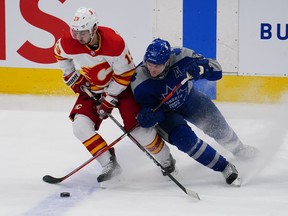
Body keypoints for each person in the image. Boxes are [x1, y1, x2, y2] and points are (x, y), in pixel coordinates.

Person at [53, 7, 175, 183]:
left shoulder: (114, 42)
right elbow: (59, 54)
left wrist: (109, 99)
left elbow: (125, 75)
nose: (78, 37)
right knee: (80, 127)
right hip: (94, 88)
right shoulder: (68, 41)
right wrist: (70, 75)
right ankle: (108, 162)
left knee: (138, 131)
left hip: (123, 89)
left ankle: (165, 159)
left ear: (94, 28)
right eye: (75, 32)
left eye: (83, 33)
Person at [131, 38, 259, 185]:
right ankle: (224, 167)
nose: (152, 70)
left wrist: (202, 70)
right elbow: (148, 110)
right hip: (167, 114)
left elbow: (217, 70)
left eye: (158, 65)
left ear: (167, 61)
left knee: (217, 126)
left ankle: (238, 149)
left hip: (189, 99)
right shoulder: (138, 81)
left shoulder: (182, 55)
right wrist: (150, 117)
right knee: (185, 140)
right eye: (149, 63)